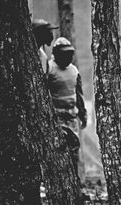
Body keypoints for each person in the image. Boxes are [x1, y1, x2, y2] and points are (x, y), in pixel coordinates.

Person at [46, 37, 87, 170]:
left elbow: (78, 94)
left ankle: (75, 183)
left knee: (73, 151)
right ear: (56, 54)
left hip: (72, 118)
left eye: (69, 54)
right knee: (57, 152)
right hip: (56, 118)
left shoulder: (74, 71)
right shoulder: (49, 69)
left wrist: (83, 113)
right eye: (64, 54)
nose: (67, 57)